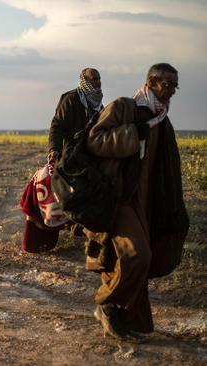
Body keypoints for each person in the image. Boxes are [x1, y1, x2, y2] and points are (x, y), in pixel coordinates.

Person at [85, 63, 188, 340]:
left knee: (127, 259)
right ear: (152, 81)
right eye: (168, 84)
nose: (172, 91)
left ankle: (128, 320)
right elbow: (95, 141)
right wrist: (134, 133)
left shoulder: (161, 120)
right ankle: (106, 304)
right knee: (136, 255)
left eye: (175, 86)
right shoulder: (124, 108)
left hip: (145, 202)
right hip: (118, 199)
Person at [48, 68, 103, 164]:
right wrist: (54, 149)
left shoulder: (99, 105)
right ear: (85, 81)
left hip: (92, 154)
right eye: (94, 79)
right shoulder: (71, 99)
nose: (98, 82)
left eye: (99, 79)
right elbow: (58, 125)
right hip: (72, 154)